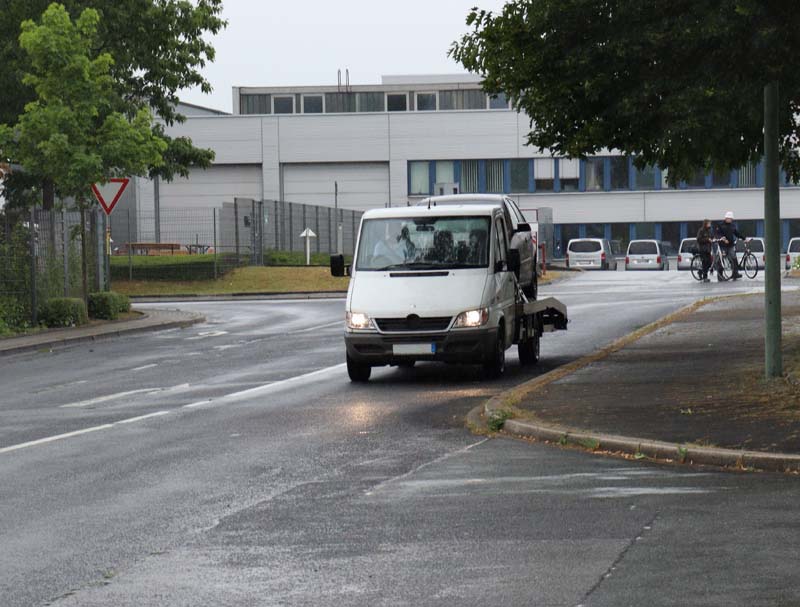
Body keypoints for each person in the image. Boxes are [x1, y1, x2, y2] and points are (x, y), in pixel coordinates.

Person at [715, 211, 744, 280]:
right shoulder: (720, 225)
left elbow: (737, 233)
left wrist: (744, 238)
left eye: (731, 219)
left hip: (730, 245)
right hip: (722, 245)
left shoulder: (732, 225)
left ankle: (735, 273)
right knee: (721, 260)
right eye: (729, 218)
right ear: (726, 218)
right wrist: (723, 239)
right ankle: (720, 275)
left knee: (734, 258)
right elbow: (717, 234)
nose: (730, 220)